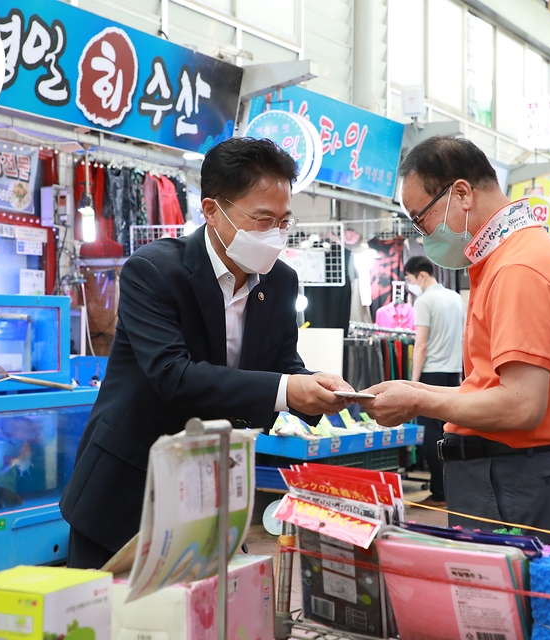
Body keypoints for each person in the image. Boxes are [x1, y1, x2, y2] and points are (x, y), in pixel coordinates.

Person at [60, 138, 352, 569]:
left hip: (211, 486)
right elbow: (172, 375)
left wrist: (317, 384)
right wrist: (288, 389)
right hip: (128, 485)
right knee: (105, 619)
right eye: (262, 219)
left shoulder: (280, 281)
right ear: (212, 210)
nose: (274, 235)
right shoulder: (154, 271)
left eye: (284, 222)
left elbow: (280, 362)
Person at [360, 136, 550, 545]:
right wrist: (413, 389)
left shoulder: (519, 268)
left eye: (421, 219)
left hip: (516, 484)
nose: (423, 234)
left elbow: (521, 405)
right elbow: (493, 388)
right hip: (511, 481)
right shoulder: (507, 261)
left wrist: (417, 400)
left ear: (462, 193)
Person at [403, 255, 465, 508]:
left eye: (408, 279)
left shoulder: (424, 300)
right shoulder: (456, 298)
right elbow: (464, 338)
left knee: (430, 437)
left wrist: (412, 383)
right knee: (451, 434)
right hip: (452, 374)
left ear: (422, 275)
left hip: (430, 375)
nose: (409, 284)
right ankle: (455, 490)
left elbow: (421, 345)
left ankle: (439, 493)